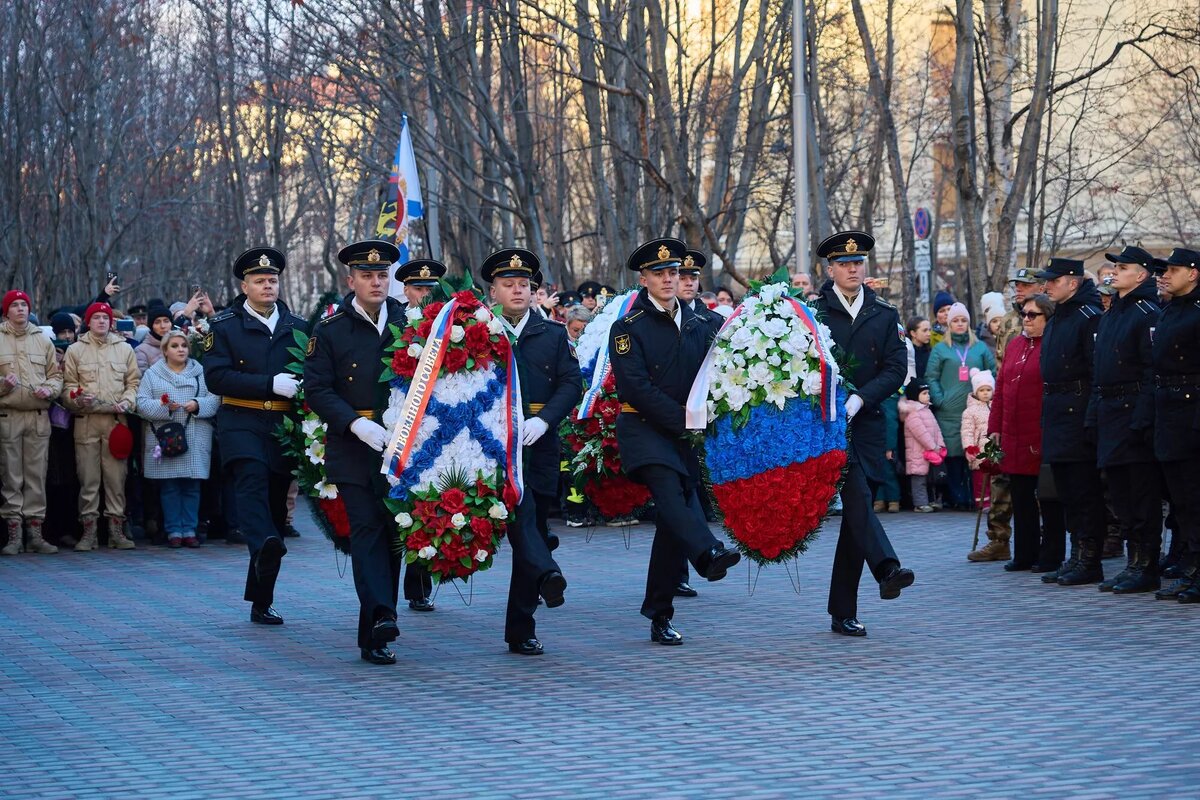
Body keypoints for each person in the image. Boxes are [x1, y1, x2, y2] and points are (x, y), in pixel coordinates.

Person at [609, 237, 741, 645]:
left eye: (674, 272)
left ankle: (659, 611)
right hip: (645, 430)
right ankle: (708, 551)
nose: (669, 279)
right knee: (670, 495)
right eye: (659, 273)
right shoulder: (628, 327)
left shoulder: (703, 323)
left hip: (687, 435)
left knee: (670, 525)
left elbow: (720, 375)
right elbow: (635, 387)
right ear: (644, 278)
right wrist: (684, 418)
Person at [304, 241, 409, 664]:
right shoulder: (330, 331)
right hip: (352, 445)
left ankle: (377, 628)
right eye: (367, 275)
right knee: (366, 531)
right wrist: (356, 423)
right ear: (351, 281)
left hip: (400, 447)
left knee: (393, 534)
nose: (376, 281)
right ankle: (382, 614)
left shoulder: (409, 323)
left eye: (382, 275)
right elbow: (317, 390)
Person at [810, 231, 915, 637]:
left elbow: (895, 368)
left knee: (858, 515)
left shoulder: (884, 313)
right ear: (831, 269)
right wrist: (838, 402)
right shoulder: (813, 313)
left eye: (859, 263)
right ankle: (887, 567)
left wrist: (861, 400)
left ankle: (842, 610)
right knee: (857, 498)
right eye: (845, 263)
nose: (854, 269)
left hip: (868, 422)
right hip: (829, 424)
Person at [203, 246, 308, 626]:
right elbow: (216, 377)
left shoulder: (297, 327)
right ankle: (264, 541)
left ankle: (262, 599)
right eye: (260, 280)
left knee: (277, 512)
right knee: (250, 485)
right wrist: (268, 384)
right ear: (244, 285)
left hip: (281, 427)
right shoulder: (225, 325)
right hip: (241, 421)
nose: (268, 285)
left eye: (273, 280)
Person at [482, 248, 575, 655]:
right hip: (494, 446)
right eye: (509, 284)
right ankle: (548, 572)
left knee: (533, 528)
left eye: (525, 285)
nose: (518, 290)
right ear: (494, 291)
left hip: (539, 443)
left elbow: (572, 384)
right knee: (522, 519)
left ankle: (521, 628)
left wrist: (545, 420)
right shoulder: (478, 333)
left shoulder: (551, 333)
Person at [1089, 245, 1163, 594]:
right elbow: (1098, 371)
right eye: (1114, 266)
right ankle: (1133, 562)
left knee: (1140, 494)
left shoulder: (1147, 311)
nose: (1114, 272)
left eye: (1123, 267)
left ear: (1142, 274)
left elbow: (1152, 370)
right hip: (1109, 412)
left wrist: (1142, 418)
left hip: (1132, 411)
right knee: (1120, 493)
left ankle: (1146, 564)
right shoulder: (1115, 311)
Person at [1035, 257, 1106, 586]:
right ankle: (1075, 555)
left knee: (1083, 491)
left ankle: (1089, 559)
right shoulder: (1060, 316)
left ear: (1073, 282)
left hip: (1077, 412)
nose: (1047, 285)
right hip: (1057, 410)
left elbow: (1095, 372)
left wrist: (1091, 417)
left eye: (1054, 280)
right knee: (1066, 490)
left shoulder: (1087, 317)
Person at [985, 294, 1064, 571]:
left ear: (1048, 317)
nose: (1026, 319)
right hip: (1014, 434)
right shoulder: (1016, 344)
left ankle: (1051, 554)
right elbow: (1002, 389)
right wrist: (994, 428)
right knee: (1021, 496)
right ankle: (1024, 553)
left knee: (1048, 496)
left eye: (1033, 315)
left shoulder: (1053, 345)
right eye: (1024, 314)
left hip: (1042, 431)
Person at [392, 258, 449, 612]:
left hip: (436, 423)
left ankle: (419, 585)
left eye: (430, 289)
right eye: (418, 289)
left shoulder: (449, 323)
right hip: (399, 424)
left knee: (426, 501)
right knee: (401, 503)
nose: (424, 295)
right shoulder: (394, 323)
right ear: (406, 290)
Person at [60, 302, 141, 551]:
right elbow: (67, 387)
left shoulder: (124, 349)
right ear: (88, 322)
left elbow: (134, 382)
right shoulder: (75, 350)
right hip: (86, 422)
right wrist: (76, 397)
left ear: (111, 322)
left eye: (105, 318)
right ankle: (89, 532)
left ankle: (116, 531)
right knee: (88, 479)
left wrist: (128, 401)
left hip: (117, 423)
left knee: (117, 479)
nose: (102, 321)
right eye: (96, 318)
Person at [135, 329, 219, 548]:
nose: (180, 349)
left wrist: (197, 404)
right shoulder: (153, 374)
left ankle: (190, 530)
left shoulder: (201, 372)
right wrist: (165, 408)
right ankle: (173, 531)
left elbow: (215, 398)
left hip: (195, 435)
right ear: (164, 350)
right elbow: (141, 404)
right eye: (174, 346)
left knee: (192, 486)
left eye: (183, 345)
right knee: (170, 487)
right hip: (167, 439)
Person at [1150, 248, 1200, 602]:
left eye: (1173, 269)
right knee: (1182, 501)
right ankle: (1192, 568)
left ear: (1193, 273)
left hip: (1191, 412)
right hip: (1168, 413)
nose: (1164, 274)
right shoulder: (1169, 311)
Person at [0, 291, 64, 555]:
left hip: (38, 417)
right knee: (11, 476)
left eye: (24, 305)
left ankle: (35, 533)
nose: (20, 309)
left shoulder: (43, 340)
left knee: (37, 476)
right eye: (14, 305)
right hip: (8, 416)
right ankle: (13, 535)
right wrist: (3, 386)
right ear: (6, 312)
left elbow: (56, 376)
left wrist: (49, 390)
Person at [925, 303, 996, 510]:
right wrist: (940, 399)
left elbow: (992, 372)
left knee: (977, 455)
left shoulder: (980, 347)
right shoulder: (940, 349)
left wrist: (990, 398)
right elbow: (932, 376)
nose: (959, 324)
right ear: (949, 324)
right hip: (949, 411)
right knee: (955, 455)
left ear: (968, 323)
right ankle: (958, 498)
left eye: (963, 320)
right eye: (955, 321)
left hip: (978, 409)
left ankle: (978, 497)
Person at [900, 381, 944, 514]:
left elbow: (936, 430)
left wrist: (941, 445)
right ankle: (920, 503)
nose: (928, 396)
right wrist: (932, 446)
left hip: (931, 452)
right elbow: (920, 433)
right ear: (915, 395)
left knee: (930, 479)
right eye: (924, 393)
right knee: (919, 480)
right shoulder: (913, 413)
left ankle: (931, 500)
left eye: (928, 393)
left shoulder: (927, 410)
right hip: (917, 453)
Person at [134, 305, 173, 374]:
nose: (162, 326)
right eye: (157, 322)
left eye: (166, 321)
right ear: (151, 326)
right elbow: (142, 378)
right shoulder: (141, 350)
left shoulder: (180, 345)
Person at [906, 316, 931, 380]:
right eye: (924, 330)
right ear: (913, 333)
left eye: (929, 330)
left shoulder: (931, 352)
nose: (929, 334)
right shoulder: (906, 352)